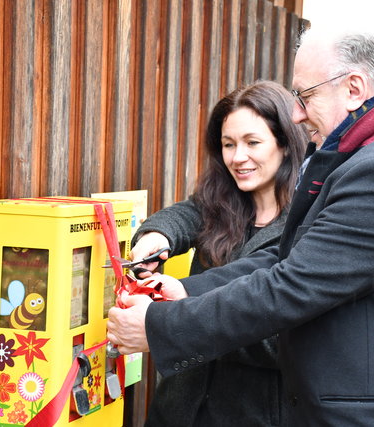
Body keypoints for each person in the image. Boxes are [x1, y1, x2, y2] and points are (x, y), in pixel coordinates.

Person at [108, 29, 374, 426]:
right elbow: (286, 258)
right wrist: (188, 289)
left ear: (354, 89)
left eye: (305, 96)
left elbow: (288, 286)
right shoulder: (371, 158)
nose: (297, 114)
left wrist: (160, 327)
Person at [130, 80, 308, 426]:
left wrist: (178, 326)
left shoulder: (306, 225)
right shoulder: (221, 203)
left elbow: (282, 343)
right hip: (179, 410)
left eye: (252, 142)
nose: (237, 157)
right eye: (228, 144)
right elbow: (182, 216)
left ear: (285, 143)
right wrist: (155, 236)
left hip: (254, 413)